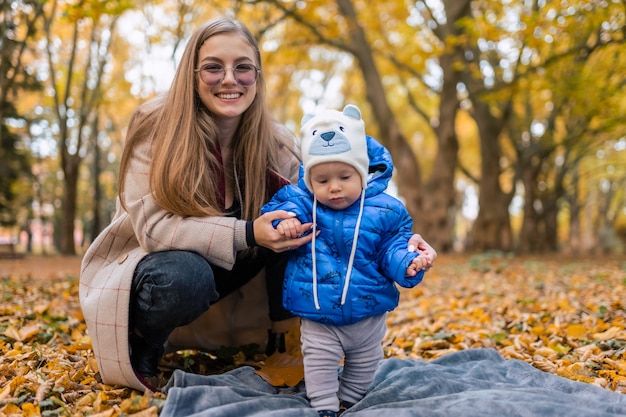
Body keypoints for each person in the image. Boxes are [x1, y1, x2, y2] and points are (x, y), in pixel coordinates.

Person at [79, 17, 436, 393]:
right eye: (214, 67)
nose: (229, 79)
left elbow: (330, 200)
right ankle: (145, 343)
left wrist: (397, 236)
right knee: (185, 275)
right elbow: (153, 230)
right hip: (156, 264)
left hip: (232, 268)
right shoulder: (155, 126)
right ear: (192, 73)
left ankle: (286, 341)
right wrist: (249, 231)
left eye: (243, 68)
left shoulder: (275, 141)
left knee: (296, 222)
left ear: (257, 76)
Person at [261, 104, 433, 417]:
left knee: (365, 366)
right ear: (309, 179)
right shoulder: (300, 202)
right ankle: (325, 406)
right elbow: (274, 215)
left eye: (344, 176)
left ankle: (350, 400)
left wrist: (407, 262)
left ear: (362, 172)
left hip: (368, 312)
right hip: (319, 313)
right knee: (319, 362)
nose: (335, 187)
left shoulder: (385, 210)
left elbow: (391, 247)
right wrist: (282, 224)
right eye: (322, 180)